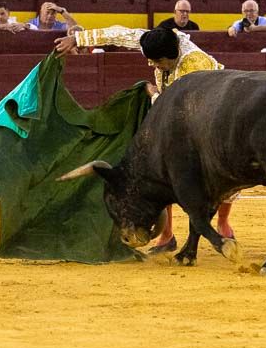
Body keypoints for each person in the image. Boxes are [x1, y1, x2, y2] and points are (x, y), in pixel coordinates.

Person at [54, 20, 234, 252]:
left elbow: (184, 109)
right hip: (180, 120)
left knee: (225, 177)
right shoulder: (158, 41)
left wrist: (153, 94)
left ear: (173, 55)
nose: (152, 64)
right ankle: (167, 236)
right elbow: (119, 33)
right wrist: (77, 39)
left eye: (158, 62)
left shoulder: (195, 65)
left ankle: (222, 221)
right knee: (160, 170)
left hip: (212, 119)